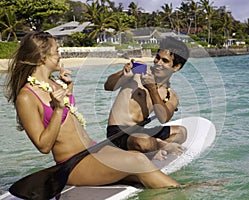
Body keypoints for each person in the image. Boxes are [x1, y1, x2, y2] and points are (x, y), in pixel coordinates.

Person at [4, 31, 179, 188]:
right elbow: (43, 146)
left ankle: (178, 190)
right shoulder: (26, 97)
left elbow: (69, 123)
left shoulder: (54, 83)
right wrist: (58, 109)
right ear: (43, 57)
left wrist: (68, 90)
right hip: (72, 164)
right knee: (139, 160)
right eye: (56, 50)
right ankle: (185, 191)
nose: (60, 54)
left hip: (94, 149)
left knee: (141, 161)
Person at [104, 37, 190, 160]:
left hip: (140, 131)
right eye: (157, 58)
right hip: (118, 132)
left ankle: (154, 145)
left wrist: (151, 88)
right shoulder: (141, 69)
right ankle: (159, 145)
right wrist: (122, 74)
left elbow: (163, 118)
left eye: (165, 61)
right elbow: (108, 86)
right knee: (143, 142)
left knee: (182, 132)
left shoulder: (171, 96)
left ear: (176, 67)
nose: (158, 63)